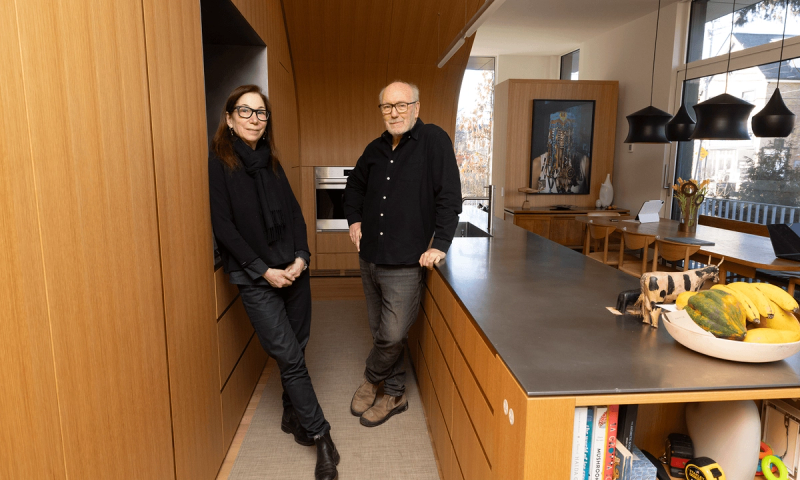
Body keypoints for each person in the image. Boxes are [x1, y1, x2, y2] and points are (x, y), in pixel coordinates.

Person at [208, 85, 339, 480]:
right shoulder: (220, 163)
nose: (254, 119)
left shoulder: (273, 164)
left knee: (297, 345)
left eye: (261, 113)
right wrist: (265, 270)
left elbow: (297, 216)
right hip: (256, 276)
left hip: (294, 270)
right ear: (229, 119)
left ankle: (291, 416)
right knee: (289, 355)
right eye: (245, 112)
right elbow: (224, 227)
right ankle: (321, 435)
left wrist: (302, 257)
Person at [344, 81, 462, 427]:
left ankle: (371, 379)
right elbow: (354, 187)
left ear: (416, 107)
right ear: (381, 110)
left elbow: (449, 197)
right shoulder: (374, 149)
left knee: (393, 333)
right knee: (380, 329)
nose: (393, 112)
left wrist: (440, 243)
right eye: (387, 106)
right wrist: (354, 220)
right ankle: (395, 393)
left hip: (407, 260)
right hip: (370, 257)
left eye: (401, 105)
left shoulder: (434, 141)